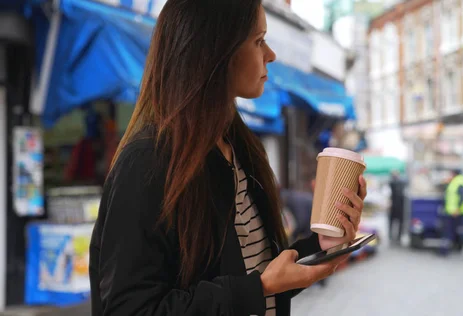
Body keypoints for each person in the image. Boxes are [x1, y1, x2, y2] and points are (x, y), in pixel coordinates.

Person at [88, 2, 368, 315]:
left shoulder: (242, 148)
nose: (271, 55)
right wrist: (260, 287)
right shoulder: (147, 161)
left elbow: (257, 269)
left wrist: (323, 245)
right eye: (259, 40)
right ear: (215, 51)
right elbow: (131, 308)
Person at [439, 169, 463, 258]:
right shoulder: (457, 181)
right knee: (452, 232)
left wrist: (457, 209)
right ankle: (444, 251)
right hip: (454, 212)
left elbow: (462, 197)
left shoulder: (459, 182)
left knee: (461, 232)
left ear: (453, 174)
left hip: (458, 212)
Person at [388, 170, 406, 244]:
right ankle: (396, 237)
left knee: (393, 222)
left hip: (395, 206)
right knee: (397, 222)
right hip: (399, 206)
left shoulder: (392, 183)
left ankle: (393, 237)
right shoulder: (401, 183)